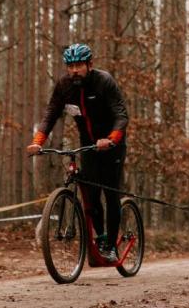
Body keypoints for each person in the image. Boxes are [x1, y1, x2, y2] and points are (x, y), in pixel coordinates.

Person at [26, 43, 128, 262]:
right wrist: (37, 142)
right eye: (70, 66)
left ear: (89, 65)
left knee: (110, 194)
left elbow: (121, 115)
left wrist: (111, 139)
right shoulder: (64, 85)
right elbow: (51, 113)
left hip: (112, 144)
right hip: (87, 143)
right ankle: (100, 237)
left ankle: (111, 245)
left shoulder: (104, 82)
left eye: (79, 65)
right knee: (90, 195)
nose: (74, 70)